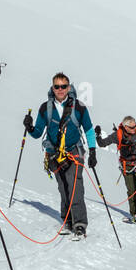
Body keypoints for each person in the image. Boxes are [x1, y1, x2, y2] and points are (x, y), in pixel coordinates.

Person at [25, 72, 96, 237]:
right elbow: (37, 133)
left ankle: (79, 223)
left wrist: (92, 151)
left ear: (69, 87)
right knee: (63, 188)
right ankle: (67, 220)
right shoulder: (45, 108)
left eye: (63, 86)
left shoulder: (78, 107)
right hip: (54, 154)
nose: (60, 90)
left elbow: (89, 130)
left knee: (75, 186)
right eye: (57, 86)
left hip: (74, 150)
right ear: (53, 88)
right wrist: (29, 127)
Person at [96, 115, 136, 223]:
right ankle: (134, 214)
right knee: (131, 189)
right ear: (125, 127)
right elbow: (102, 144)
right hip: (126, 165)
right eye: (131, 127)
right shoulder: (118, 135)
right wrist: (97, 135)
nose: (134, 129)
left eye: (135, 126)